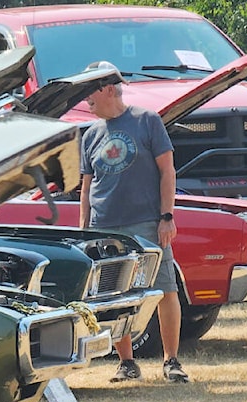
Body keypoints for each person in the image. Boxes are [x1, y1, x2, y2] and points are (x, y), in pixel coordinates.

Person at [78, 61, 189, 383]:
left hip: (146, 223)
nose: (86, 100)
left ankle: (172, 361)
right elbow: (86, 187)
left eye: (90, 91)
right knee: (115, 296)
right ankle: (127, 362)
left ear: (108, 89)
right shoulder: (90, 134)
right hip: (104, 227)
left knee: (165, 290)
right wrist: (83, 231)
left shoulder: (147, 121)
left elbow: (168, 171)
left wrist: (167, 216)